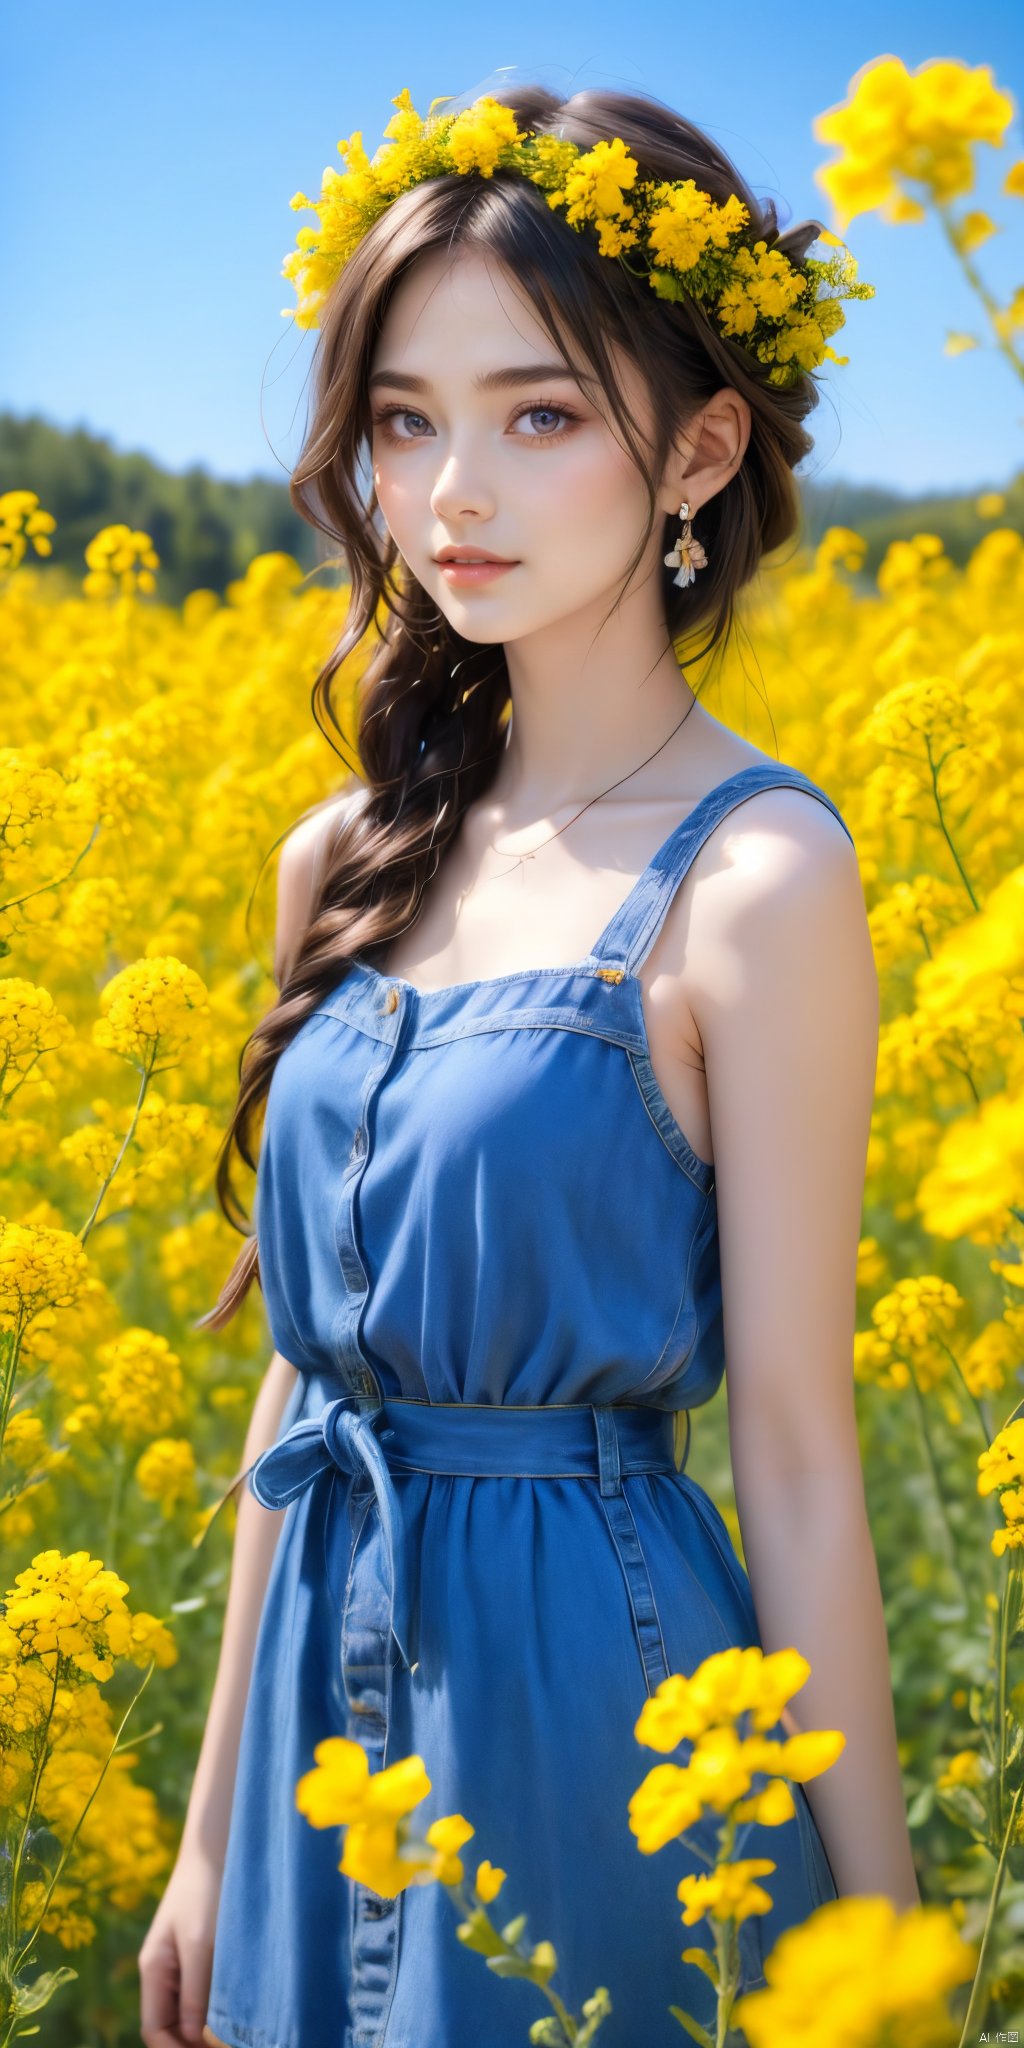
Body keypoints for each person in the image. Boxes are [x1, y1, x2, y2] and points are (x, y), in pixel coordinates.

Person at [138, 79, 918, 2048]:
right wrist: (211, 1838)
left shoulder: (754, 876)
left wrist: (880, 1969)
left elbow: (802, 1460)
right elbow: (295, 1396)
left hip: (599, 1701)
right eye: (403, 422)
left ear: (698, 449)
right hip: (323, 1695)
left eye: (536, 413)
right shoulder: (344, 849)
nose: (451, 494)